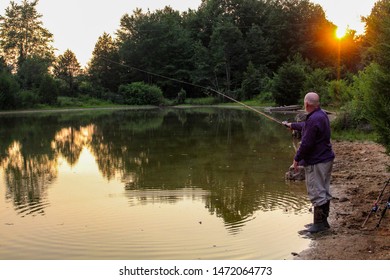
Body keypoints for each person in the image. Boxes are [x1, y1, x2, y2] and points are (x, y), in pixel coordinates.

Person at [282, 92, 335, 233]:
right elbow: (307, 126)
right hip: (326, 159)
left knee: (316, 191)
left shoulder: (313, 119)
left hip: (317, 161)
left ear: (306, 104)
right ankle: (323, 223)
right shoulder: (321, 114)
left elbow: (306, 143)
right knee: (323, 189)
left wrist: (297, 158)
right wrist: (292, 125)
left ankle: (319, 225)